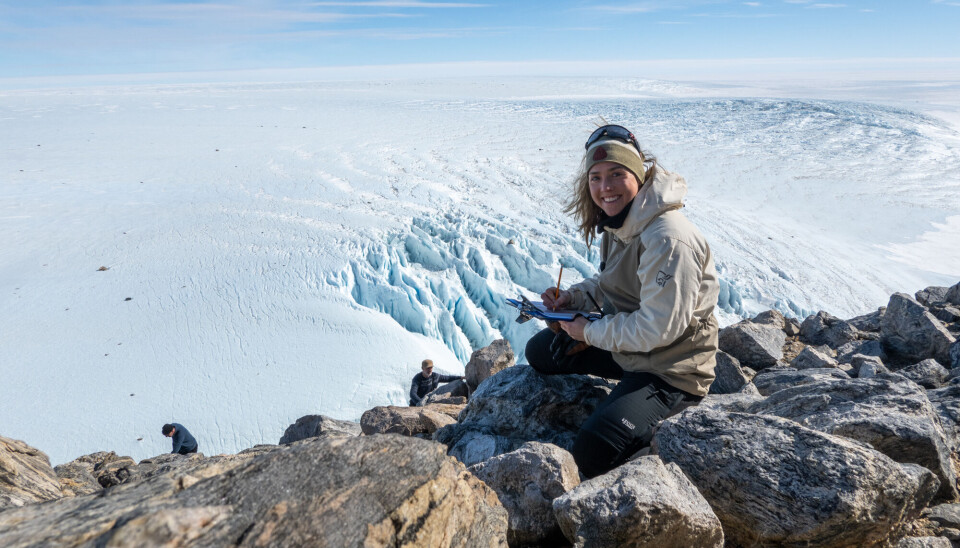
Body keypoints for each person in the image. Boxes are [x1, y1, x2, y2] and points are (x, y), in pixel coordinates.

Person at [526, 124, 719, 478]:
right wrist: (573, 297)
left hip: (672, 368)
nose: (605, 187)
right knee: (541, 351)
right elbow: (611, 282)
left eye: (616, 174)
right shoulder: (624, 221)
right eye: (596, 177)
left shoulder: (668, 239)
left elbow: (658, 329)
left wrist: (590, 332)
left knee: (594, 451)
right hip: (634, 350)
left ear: (639, 174)